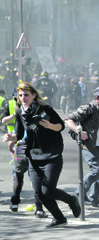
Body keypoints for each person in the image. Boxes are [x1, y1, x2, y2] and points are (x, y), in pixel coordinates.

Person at [2, 82, 80, 228]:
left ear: (34, 95)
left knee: (48, 191)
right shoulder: (20, 113)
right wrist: (10, 137)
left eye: (26, 95)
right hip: (33, 157)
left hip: (51, 155)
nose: (23, 98)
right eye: (20, 95)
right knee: (39, 192)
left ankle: (71, 200)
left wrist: (48, 125)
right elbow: (18, 135)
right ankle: (59, 218)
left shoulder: (45, 109)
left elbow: (60, 126)